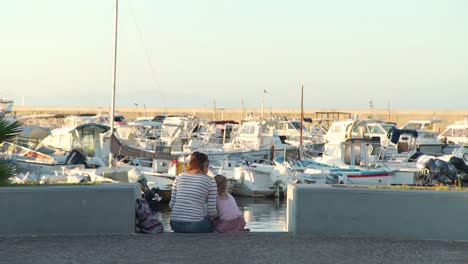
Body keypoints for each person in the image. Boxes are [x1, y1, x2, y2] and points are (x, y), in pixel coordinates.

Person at [169, 151, 217, 233]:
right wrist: (218, 216)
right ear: (203, 165)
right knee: (212, 222)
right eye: (207, 166)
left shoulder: (179, 177)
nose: (208, 170)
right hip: (196, 226)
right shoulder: (210, 181)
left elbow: (171, 205)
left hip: (175, 224)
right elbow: (211, 211)